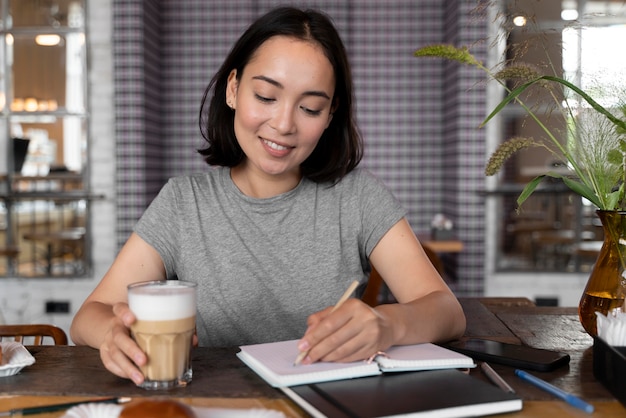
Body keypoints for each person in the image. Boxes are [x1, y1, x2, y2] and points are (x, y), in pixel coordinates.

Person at [70, 6, 465, 386]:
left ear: (330, 116)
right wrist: (111, 333)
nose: (283, 124)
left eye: (310, 108)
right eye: (265, 96)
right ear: (233, 89)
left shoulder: (357, 197)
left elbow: (447, 311)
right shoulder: (183, 202)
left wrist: (387, 324)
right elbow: (88, 316)